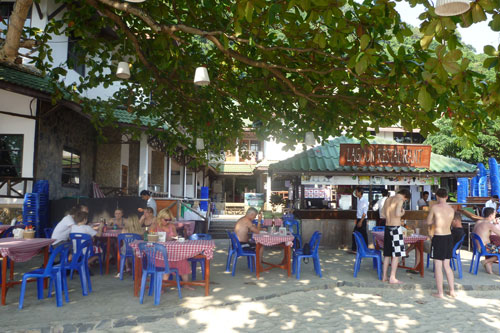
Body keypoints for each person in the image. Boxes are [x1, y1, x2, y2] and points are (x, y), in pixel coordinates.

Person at [152, 209, 193, 289]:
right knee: (165, 268)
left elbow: (176, 237)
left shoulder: (172, 226)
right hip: (160, 254)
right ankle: (161, 288)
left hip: (173, 253)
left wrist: (174, 238)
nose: (168, 221)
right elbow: (149, 238)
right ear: (160, 218)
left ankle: (186, 284)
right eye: (166, 219)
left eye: (169, 220)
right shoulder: (155, 226)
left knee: (183, 261)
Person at [426, 188, 456, 298]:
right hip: (448, 237)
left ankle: (440, 292)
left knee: (438, 265)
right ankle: (452, 291)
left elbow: (428, 222)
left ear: (437, 197)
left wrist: (435, 220)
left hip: (438, 237)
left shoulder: (434, 207)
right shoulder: (451, 209)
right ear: (447, 197)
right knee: (447, 265)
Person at [381, 188, 411, 284]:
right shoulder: (400, 200)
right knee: (396, 254)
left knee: (387, 254)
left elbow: (382, 214)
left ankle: (384, 276)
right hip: (395, 228)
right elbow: (398, 213)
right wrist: (403, 212)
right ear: (405, 196)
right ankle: (392, 277)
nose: (405, 201)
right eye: (406, 200)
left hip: (387, 227)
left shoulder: (388, 199)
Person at [472, 207, 500, 274]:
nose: (495, 215)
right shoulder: (489, 225)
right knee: (496, 248)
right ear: (490, 215)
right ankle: (486, 261)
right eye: (494, 214)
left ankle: (489, 266)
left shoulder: (478, 222)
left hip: (476, 247)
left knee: (493, 246)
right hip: (484, 248)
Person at [351, 187, 368, 252]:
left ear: (360, 192)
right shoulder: (358, 199)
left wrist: (361, 221)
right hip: (359, 219)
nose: (355, 193)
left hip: (362, 220)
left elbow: (364, 213)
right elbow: (359, 211)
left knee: (363, 235)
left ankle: (365, 249)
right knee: (355, 234)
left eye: (356, 192)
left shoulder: (364, 200)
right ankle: (355, 249)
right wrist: (357, 219)